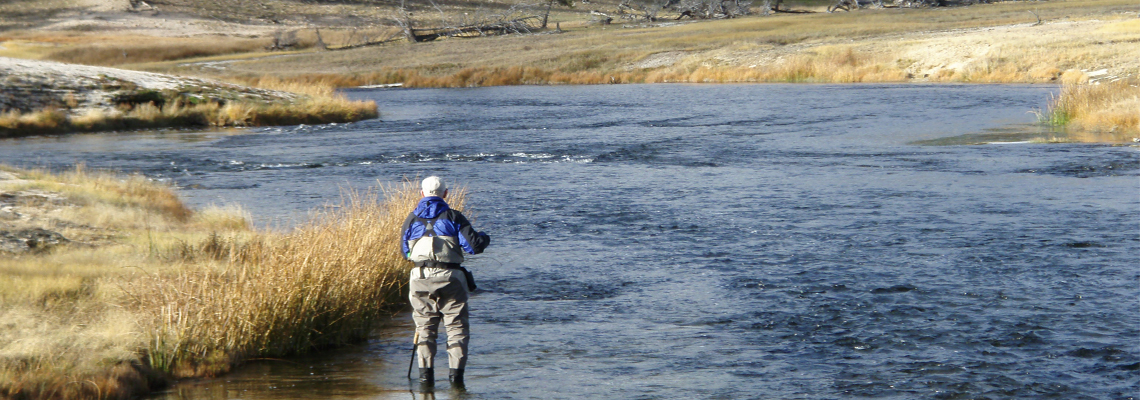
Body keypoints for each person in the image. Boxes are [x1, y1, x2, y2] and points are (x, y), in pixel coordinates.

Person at [400, 176, 489, 389]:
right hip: (451, 278)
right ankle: (456, 383)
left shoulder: (410, 220)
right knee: (456, 328)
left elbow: (406, 253)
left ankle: (425, 381)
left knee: (425, 328)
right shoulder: (454, 217)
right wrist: (485, 237)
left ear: (422, 194)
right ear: (446, 194)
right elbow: (474, 246)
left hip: (419, 278)